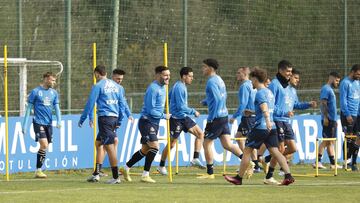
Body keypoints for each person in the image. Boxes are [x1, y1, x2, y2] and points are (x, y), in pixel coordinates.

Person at [224, 68, 294, 186]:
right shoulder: (269, 93)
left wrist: (266, 120)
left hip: (261, 127)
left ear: (255, 79)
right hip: (272, 127)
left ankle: (238, 178)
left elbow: (264, 108)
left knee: (247, 151)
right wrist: (252, 112)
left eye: (252, 79)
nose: (251, 82)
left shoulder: (260, 93)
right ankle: (288, 175)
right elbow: (273, 109)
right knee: (276, 152)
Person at [120, 66, 171, 183]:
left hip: (155, 123)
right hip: (146, 121)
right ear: (158, 75)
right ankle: (145, 175)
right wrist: (164, 116)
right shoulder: (153, 89)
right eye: (165, 75)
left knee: (145, 150)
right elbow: (150, 110)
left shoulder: (164, 88)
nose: (168, 77)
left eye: (169, 75)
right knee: (155, 147)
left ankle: (125, 168)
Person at [197, 58, 244, 179]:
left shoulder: (211, 81)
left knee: (206, 143)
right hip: (224, 115)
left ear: (210, 68)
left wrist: (212, 117)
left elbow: (218, 99)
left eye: (204, 67)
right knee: (227, 144)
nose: (202, 69)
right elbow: (222, 96)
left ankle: (210, 173)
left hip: (216, 117)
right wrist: (206, 101)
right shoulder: (219, 80)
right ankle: (248, 161)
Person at [78, 65, 125, 184]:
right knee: (98, 143)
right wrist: (119, 120)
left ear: (97, 74)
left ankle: (115, 177)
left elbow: (90, 103)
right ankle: (96, 174)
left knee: (109, 146)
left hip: (105, 119)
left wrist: (83, 118)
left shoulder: (98, 85)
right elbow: (122, 105)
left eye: (95, 75)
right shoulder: (117, 86)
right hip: (114, 118)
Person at [157, 67, 205, 175]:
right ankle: (161, 166)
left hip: (183, 117)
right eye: (190, 76)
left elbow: (168, 97)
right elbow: (181, 107)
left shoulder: (180, 86)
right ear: (184, 76)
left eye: (192, 76)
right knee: (172, 144)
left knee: (200, 134)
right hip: (176, 119)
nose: (192, 78)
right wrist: (194, 111)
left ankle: (195, 159)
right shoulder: (179, 87)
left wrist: (170, 105)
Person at [88, 68, 134, 177]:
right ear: (112, 76)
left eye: (121, 79)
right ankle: (97, 172)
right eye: (118, 78)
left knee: (111, 143)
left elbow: (124, 103)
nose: (120, 81)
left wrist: (129, 114)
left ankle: (113, 174)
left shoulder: (119, 88)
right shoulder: (104, 86)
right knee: (99, 143)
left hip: (111, 119)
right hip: (110, 119)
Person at [22, 72, 61, 178]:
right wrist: (24, 125)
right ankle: (39, 170)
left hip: (49, 123)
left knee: (45, 146)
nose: (54, 82)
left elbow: (57, 108)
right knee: (44, 144)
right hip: (38, 122)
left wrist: (59, 120)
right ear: (46, 79)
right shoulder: (35, 92)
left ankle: (38, 171)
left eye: (54, 80)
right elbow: (29, 108)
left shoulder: (54, 93)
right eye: (52, 80)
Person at [265, 60, 296, 183]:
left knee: (293, 148)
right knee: (281, 150)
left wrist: (307, 104)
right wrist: (284, 112)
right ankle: (271, 176)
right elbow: (271, 105)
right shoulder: (274, 84)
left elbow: (293, 104)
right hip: (277, 120)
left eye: (291, 71)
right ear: (280, 70)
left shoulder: (289, 87)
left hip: (286, 121)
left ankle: (268, 158)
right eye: (288, 71)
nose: (290, 73)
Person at [229, 66, 260, 172]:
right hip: (250, 116)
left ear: (244, 74)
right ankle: (251, 162)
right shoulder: (252, 85)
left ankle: (251, 164)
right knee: (238, 136)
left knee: (249, 141)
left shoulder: (244, 86)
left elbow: (243, 104)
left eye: (238, 73)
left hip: (248, 117)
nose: (236, 75)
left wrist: (234, 116)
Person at [312, 72, 341, 170]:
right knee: (326, 141)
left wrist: (334, 119)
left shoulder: (330, 89)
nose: (338, 82)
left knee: (330, 142)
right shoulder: (326, 88)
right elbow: (323, 103)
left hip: (332, 119)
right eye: (337, 80)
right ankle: (317, 162)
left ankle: (333, 164)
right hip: (328, 119)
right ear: (331, 78)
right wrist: (325, 117)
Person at [340, 64, 360, 171]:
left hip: (357, 114)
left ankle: (353, 162)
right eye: (358, 74)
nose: (359, 76)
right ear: (352, 72)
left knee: (357, 138)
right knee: (348, 138)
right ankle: (346, 162)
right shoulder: (345, 83)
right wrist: (347, 114)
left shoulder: (358, 83)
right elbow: (343, 101)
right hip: (347, 114)